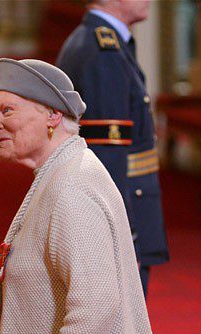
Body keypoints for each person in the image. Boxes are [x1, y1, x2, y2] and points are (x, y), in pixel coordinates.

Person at [0, 58, 162, 334]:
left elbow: (95, 307)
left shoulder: (71, 188)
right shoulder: (63, 172)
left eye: (7, 111)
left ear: (53, 115)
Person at [56, 0, 168, 296]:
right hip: (122, 208)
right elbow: (107, 156)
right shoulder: (103, 51)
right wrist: (120, 228)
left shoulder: (106, 43)